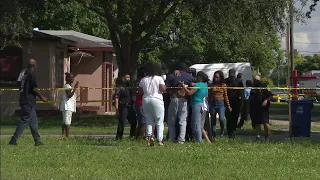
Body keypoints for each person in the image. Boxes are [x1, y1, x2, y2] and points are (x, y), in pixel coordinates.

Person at [9, 58, 48, 146]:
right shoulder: (31, 74)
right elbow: (34, 88)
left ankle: (37, 141)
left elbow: (19, 84)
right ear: (34, 65)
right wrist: (42, 97)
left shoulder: (25, 73)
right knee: (24, 120)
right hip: (28, 101)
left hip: (25, 100)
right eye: (36, 64)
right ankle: (13, 140)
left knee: (34, 121)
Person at [139, 62, 167, 146]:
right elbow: (162, 89)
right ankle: (160, 140)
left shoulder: (143, 79)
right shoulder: (159, 78)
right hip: (156, 99)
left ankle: (149, 139)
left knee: (149, 120)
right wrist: (165, 87)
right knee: (159, 120)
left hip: (146, 99)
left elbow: (140, 91)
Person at [166, 63, 194, 143]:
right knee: (183, 120)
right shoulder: (190, 77)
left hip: (174, 98)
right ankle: (181, 139)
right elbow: (193, 84)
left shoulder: (171, 76)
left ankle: (171, 138)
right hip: (184, 99)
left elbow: (166, 87)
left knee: (171, 120)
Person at [182, 71, 208, 142]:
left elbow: (189, 93)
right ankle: (198, 139)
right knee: (199, 123)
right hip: (202, 104)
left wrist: (184, 86)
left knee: (196, 123)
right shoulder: (205, 85)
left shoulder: (198, 84)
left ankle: (198, 140)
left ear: (200, 77)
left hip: (196, 104)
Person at [208, 71, 232, 139]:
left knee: (221, 119)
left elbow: (226, 96)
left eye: (217, 77)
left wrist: (228, 106)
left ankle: (222, 130)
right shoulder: (211, 85)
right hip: (213, 103)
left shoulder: (223, 85)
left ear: (220, 77)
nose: (215, 78)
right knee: (213, 120)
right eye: (215, 77)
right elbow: (209, 95)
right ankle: (214, 135)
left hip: (221, 103)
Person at [249, 75, 273, 141]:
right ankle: (258, 137)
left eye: (257, 80)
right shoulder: (253, 89)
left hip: (264, 109)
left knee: (265, 123)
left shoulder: (264, 88)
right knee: (257, 123)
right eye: (254, 80)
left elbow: (271, 96)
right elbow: (250, 98)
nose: (256, 81)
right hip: (256, 108)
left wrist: (266, 100)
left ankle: (268, 136)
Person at [114, 74, 137, 140]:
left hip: (130, 107)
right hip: (123, 107)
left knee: (134, 122)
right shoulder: (120, 88)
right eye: (127, 77)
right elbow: (116, 98)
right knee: (122, 123)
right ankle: (118, 138)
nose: (128, 79)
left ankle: (132, 136)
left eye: (129, 77)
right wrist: (117, 108)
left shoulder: (130, 88)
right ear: (123, 78)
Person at [225, 69, 243, 138]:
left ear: (235, 74)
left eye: (232, 75)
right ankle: (230, 132)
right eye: (230, 74)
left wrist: (241, 100)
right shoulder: (226, 81)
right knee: (228, 118)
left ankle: (233, 129)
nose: (231, 76)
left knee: (235, 117)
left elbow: (241, 91)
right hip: (228, 102)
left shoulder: (239, 81)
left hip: (236, 102)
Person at [60, 73, 78, 139]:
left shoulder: (68, 86)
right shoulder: (67, 86)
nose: (73, 79)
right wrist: (75, 88)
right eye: (71, 77)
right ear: (67, 79)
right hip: (67, 106)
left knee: (65, 121)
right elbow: (69, 95)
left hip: (68, 106)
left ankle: (63, 135)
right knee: (67, 122)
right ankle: (66, 136)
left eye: (73, 77)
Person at [134, 67, 147, 139]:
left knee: (141, 121)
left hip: (140, 102)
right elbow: (140, 92)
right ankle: (140, 137)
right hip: (140, 103)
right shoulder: (143, 80)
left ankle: (137, 136)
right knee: (143, 122)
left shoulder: (140, 80)